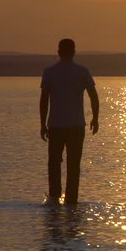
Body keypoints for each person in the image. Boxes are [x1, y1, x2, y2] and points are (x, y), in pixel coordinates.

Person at [39, 38, 99, 205]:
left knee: (54, 163)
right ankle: (71, 201)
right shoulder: (82, 71)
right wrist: (95, 117)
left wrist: (42, 124)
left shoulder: (49, 72)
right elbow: (93, 95)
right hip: (76, 126)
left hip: (56, 126)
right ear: (74, 52)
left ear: (58, 52)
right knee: (73, 165)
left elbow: (44, 100)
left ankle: (54, 198)